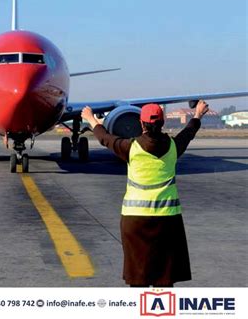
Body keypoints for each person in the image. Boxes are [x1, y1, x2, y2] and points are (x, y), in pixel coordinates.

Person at [81, 100, 209, 287]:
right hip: (167, 221)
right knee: (164, 277)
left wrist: (91, 119)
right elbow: (188, 133)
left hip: (135, 222)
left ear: (141, 124)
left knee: (138, 277)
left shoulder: (131, 148)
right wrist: (197, 115)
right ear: (163, 122)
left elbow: (105, 138)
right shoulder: (174, 147)